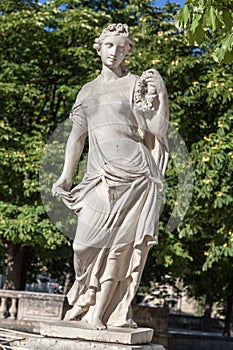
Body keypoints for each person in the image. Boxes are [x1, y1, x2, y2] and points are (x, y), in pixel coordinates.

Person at [52, 23, 169, 330]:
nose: (114, 52)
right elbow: (77, 138)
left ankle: (101, 311)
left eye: (121, 47)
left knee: (120, 247)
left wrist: (160, 96)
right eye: (109, 46)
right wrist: (66, 175)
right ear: (99, 47)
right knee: (83, 245)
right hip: (99, 175)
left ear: (128, 51)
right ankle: (85, 295)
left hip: (136, 174)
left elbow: (155, 129)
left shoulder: (135, 85)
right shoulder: (87, 91)